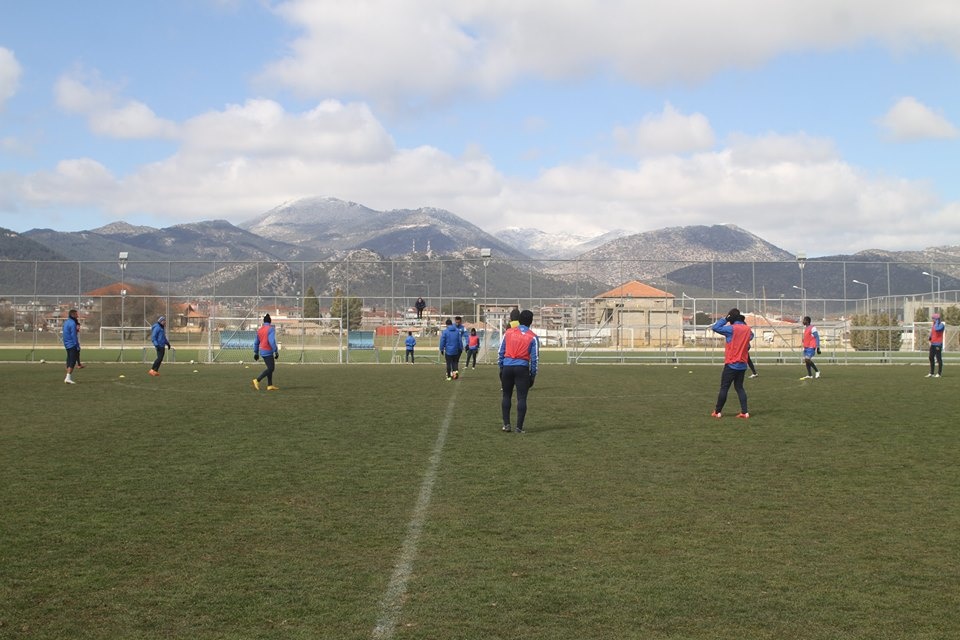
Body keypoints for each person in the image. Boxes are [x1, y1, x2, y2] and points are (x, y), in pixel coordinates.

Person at [499, 309, 539, 433]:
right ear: (531, 322)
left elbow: (500, 351)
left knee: (506, 395)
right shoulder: (533, 337)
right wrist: (532, 375)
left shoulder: (508, 332)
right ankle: (519, 427)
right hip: (522, 369)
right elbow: (535, 359)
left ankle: (506, 425)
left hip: (507, 367)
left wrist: (501, 367)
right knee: (521, 398)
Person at [710, 308, 752, 419]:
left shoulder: (731, 329)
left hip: (731, 363)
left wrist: (725, 319)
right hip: (742, 365)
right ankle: (745, 412)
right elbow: (751, 336)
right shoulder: (747, 329)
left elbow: (715, 327)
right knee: (739, 388)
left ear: (731, 318)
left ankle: (717, 411)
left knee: (724, 388)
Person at [252, 314, 280, 391]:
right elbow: (272, 341)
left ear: (264, 321)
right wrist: (276, 351)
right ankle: (257, 380)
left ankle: (270, 385)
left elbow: (256, 342)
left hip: (262, 351)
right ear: (270, 321)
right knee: (271, 368)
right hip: (268, 351)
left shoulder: (260, 330)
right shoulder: (270, 329)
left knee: (269, 368)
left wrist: (256, 353)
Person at [62, 308, 81, 384]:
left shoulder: (66, 322)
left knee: (69, 359)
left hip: (66, 344)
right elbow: (73, 335)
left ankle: (68, 377)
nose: (77, 315)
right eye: (76, 314)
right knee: (72, 361)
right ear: (73, 315)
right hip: (72, 344)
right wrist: (77, 345)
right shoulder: (73, 323)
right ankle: (68, 377)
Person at [927, 312, 945, 378]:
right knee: (931, 357)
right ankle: (931, 373)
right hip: (933, 344)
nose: (933, 320)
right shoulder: (934, 325)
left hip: (938, 344)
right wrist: (930, 337)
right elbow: (933, 332)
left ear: (937, 319)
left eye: (934, 319)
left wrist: (937, 322)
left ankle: (939, 373)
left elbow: (937, 329)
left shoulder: (941, 325)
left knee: (938, 358)